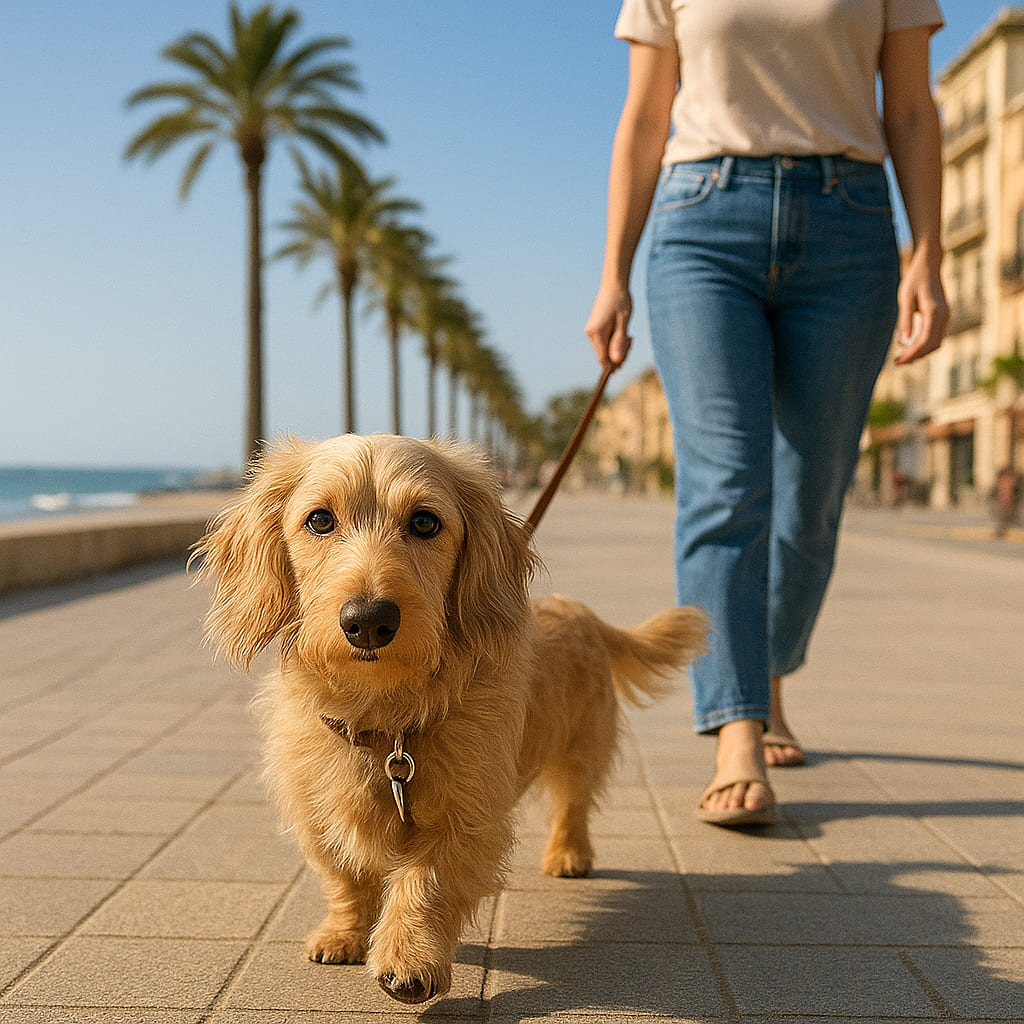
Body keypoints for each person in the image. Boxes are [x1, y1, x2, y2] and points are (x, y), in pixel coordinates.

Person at [586, 0, 949, 826]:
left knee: (811, 500)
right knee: (724, 483)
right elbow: (644, 119)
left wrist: (927, 252)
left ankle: (769, 675)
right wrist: (613, 272)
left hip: (848, 224)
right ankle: (736, 729)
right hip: (702, 220)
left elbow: (915, 110)